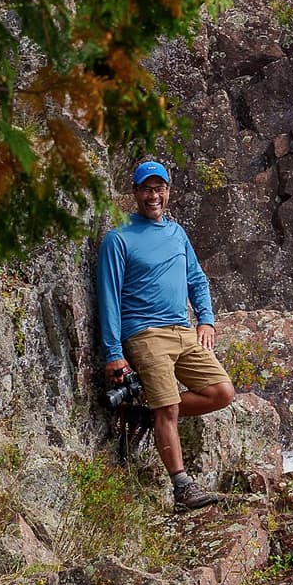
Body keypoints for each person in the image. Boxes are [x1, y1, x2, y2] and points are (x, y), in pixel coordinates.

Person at [96, 159, 236, 510]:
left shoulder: (177, 233)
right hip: (144, 333)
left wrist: (206, 320)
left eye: (159, 188)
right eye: (146, 188)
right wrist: (113, 352)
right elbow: (108, 297)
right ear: (135, 193)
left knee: (222, 392)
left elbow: (197, 280)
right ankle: (182, 487)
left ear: (168, 192)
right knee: (170, 407)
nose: (153, 195)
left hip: (183, 330)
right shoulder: (118, 238)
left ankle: (147, 410)